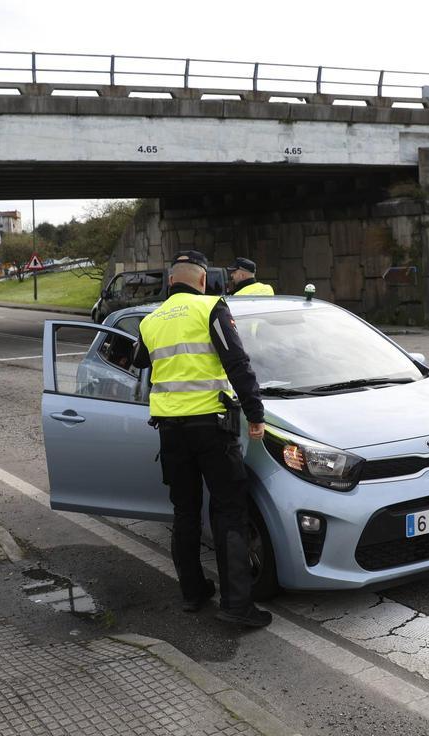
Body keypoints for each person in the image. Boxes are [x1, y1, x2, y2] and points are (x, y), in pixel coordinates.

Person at [132, 250, 271, 628]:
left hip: (170, 433)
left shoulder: (152, 319)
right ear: (202, 281)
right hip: (211, 427)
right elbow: (237, 361)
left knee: (185, 513)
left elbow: (140, 361)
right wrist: (255, 413)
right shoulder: (211, 308)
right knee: (229, 512)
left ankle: (193, 594)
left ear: (171, 282)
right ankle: (237, 605)